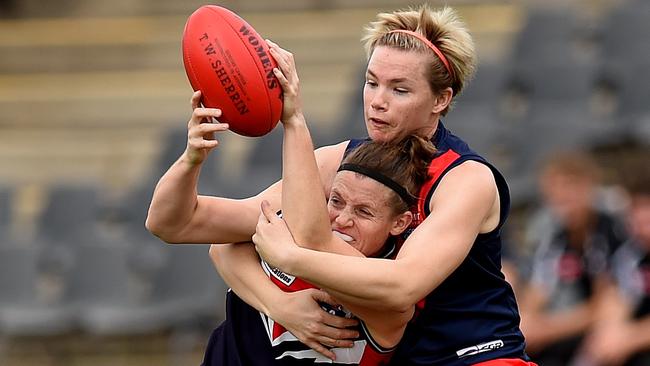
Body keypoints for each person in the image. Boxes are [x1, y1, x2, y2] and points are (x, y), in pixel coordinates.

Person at [147, 4, 533, 365]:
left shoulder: (465, 179)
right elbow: (182, 225)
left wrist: (289, 257)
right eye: (371, 83)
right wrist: (192, 159)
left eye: (399, 89)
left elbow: (402, 288)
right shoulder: (338, 160)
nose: (377, 102)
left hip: (476, 354)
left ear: (440, 99)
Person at [517, 151, 628, 366]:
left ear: (588, 187)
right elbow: (538, 289)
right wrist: (524, 323)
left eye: (568, 187)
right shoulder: (554, 232)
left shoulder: (610, 230)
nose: (560, 197)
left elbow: (606, 305)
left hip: (611, 325)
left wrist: (547, 329)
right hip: (570, 323)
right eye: (553, 190)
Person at [580, 163, 650, 366]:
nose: (641, 230)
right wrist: (609, 331)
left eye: (646, 222)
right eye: (635, 222)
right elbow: (618, 297)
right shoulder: (632, 252)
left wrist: (631, 337)